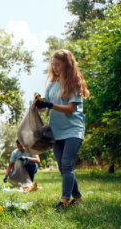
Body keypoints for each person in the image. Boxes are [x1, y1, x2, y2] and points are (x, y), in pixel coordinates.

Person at [35, 49, 89, 209]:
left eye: (58, 64)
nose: (55, 67)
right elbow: (44, 110)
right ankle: (77, 197)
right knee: (62, 166)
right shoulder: (52, 86)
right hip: (56, 131)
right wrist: (39, 105)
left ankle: (64, 201)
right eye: (53, 64)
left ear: (67, 64)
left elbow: (70, 108)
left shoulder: (74, 83)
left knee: (67, 164)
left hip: (73, 129)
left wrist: (49, 104)